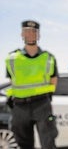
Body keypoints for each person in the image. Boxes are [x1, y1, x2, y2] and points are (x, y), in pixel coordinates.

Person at [5, 20, 58, 149]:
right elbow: (13, 82)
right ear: (22, 34)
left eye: (34, 32)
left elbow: (53, 81)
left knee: (48, 143)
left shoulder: (48, 58)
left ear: (38, 35)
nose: (30, 34)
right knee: (23, 144)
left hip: (42, 105)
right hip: (19, 107)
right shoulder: (12, 58)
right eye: (27, 31)